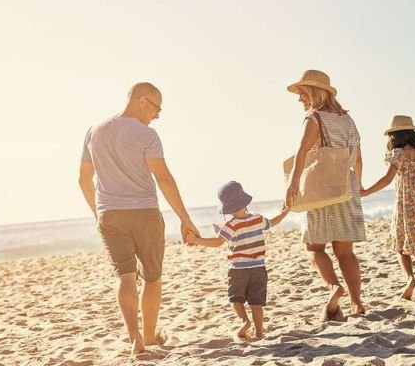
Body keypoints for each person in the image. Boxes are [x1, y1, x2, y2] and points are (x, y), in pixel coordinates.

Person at [78, 82, 202, 356]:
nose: (157, 115)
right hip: (145, 213)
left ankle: (135, 338)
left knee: (125, 277)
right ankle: (149, 335)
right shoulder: (147, 135)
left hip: (110, 215)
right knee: (152, 278)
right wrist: (185, 218)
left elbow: (84, 179)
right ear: (142, 101)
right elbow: (164, 179)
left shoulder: (94, 131)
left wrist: (98, 213)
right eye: (157, 108)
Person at [284, 70, 367, 320]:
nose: (300, 99)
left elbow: (302, 151)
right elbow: (359, 158)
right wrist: (358, 186)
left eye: (302, 93)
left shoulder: (314, 118)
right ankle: (357, 303)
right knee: (346, 252)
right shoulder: (348, 120)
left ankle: (333, 287)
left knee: (314, 247)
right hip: (346, 187)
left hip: (321, 189)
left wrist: (293, 183)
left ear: (313, 92)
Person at [185, 181, 290, 340]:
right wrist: (284, 212)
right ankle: (260, 333)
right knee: (256, 303)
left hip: (238, 270)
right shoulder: (257, 219)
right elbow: (273, 222)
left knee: (235, 299)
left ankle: (245, 322)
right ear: (244, 202)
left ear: (227, 207)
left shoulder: (230, 225)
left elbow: (217, 242)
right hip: (258, 268)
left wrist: (196, 240)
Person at [361, 115, 415, 304]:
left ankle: (410, 279)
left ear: (395, 136)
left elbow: (386, 179)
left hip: (404, 211)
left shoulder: (398, 154)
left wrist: (366, 193)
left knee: (400, 247)